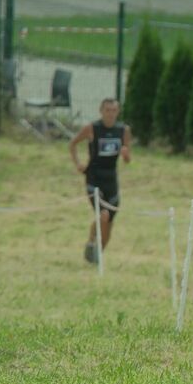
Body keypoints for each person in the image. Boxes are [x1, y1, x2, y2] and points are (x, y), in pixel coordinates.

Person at [68, 98, 132, 264]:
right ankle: (91, 240)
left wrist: (126, 156)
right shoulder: (92, 129)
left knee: (109, 222)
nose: (110, 114)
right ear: (101, 111)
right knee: (103, 215)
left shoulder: (123, 130)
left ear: (118, 112)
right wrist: (78, 164)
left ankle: (97, 256)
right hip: (94, 178)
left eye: (114, 110)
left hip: (111, 180)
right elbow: (73, 144)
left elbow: (127, 158)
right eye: (107, 110)